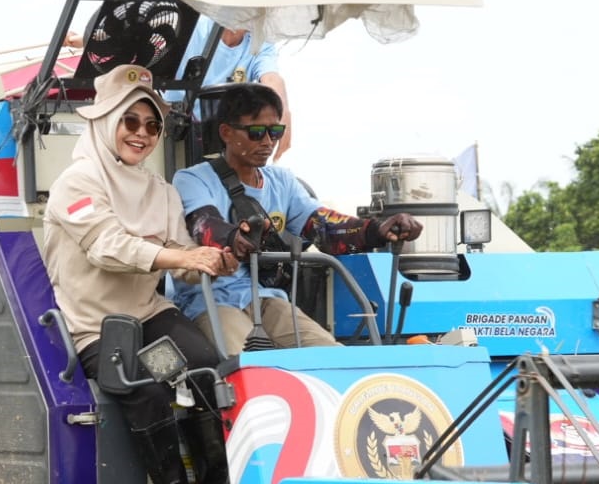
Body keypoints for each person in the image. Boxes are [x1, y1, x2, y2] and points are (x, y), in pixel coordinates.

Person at [40, 64, 238, 484]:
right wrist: (182, 254)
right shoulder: (77, 181)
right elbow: (107, 248)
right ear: (106, 121)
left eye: (153, 126)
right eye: (131, 122)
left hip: (147, 316)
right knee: (144, 387)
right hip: (93, 327)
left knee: (208, 370)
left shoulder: (161, 190)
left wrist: (215, 261)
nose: (143, 135)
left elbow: (182, 266)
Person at [173, 83, 423, 354]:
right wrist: (235, 238)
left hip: (265, 298)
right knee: (251, 365)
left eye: (275, 131)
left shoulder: (283, 181)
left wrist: (376, 230)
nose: (268, 142)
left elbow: (323, 227)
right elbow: (204, 223)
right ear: (226, 132)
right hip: (209, 297)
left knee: (333, 357)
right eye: (257, 132)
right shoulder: (193, 178)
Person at [171, 18, 293, 159]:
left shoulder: (260, 40)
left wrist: (284, 114)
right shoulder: (195, 26)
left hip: (224, 136)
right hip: (177, 126)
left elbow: (271, 78)